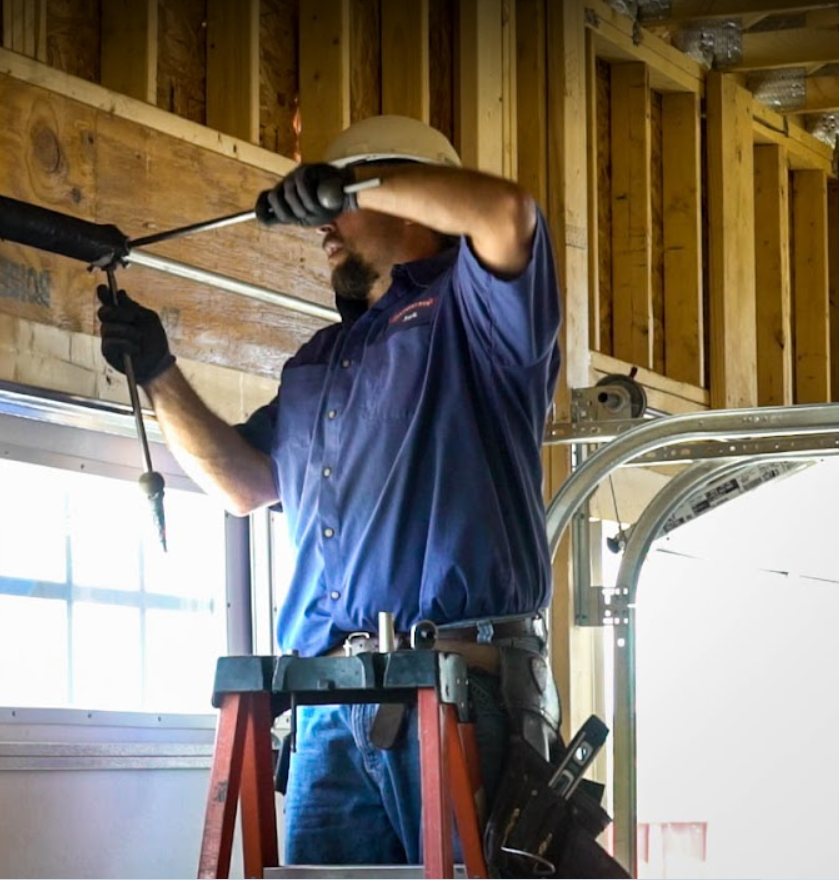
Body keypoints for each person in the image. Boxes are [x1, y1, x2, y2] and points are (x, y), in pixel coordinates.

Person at [97, 115, 562, 866]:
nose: (323, 227)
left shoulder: (474, 316)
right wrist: (157, 372)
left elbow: (505, 213)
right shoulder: (320, 362)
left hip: (450, 692)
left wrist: (355, 182)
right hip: (326, 706)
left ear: (412, 199)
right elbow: (241, 485)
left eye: (337, 203)